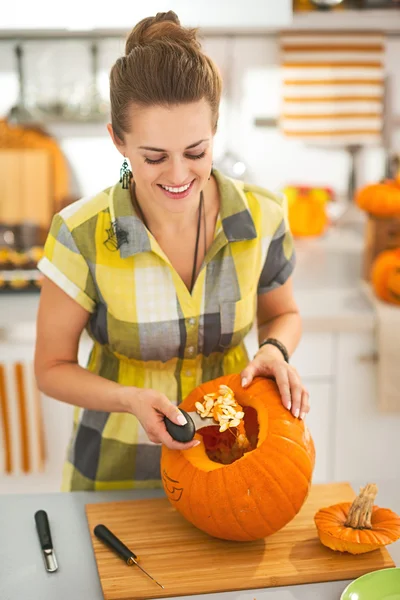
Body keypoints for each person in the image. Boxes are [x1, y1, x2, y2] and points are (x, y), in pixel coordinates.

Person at [34, 11, 310, 492]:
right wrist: (129, 398)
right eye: (154, 157)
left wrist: (274, 348)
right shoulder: (80, 232)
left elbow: (283, 313)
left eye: (196, 152)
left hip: (235, 470)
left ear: (215, 131)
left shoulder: (262, 215)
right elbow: (51, 369)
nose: (179, 175)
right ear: (118, 140)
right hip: (117, 475)